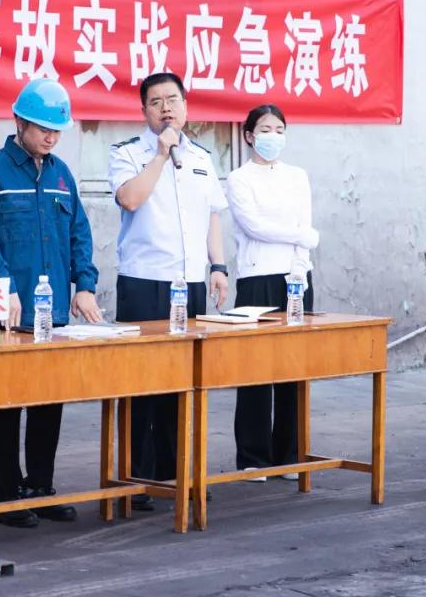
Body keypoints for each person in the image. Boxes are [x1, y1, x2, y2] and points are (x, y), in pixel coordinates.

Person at [0, 77, 103, 528]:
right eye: (44, 128)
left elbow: (79, 232)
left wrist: (84, 284)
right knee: (5, 403)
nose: (51, 137)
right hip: (7, 312)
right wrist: (3, 286)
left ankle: (40, 488)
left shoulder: (62, 175)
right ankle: (6, 493)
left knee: (48, 400)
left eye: (57, 130)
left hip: (53, 310)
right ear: (19, 122)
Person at [108, 72, 229, 510]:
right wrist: (160, 155)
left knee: (185, 381)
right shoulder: (127, 153)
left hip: (189, 282)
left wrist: (218, 266)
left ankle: (178, 472)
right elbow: (130, 199)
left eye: (172, 100)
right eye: (156, 102)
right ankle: (138, 478)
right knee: (142, 383)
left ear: (185, 105)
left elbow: (212, 215)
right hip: (144, 281)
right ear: (144, 111)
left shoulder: (201, 157)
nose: (165, 108)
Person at [226, 104, 320, 482]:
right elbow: (255, 227)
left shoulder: (297, 176)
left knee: (293, 367)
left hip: (295, 278)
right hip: (256, 278)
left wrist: (300, 268)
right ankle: (253, 456)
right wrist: (301, 236)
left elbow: (305, 224)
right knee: (255, 368)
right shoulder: (239, 178)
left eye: (279, 130)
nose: (273, 137)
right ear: (250, 136)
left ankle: (289, 453)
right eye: (265, 130)